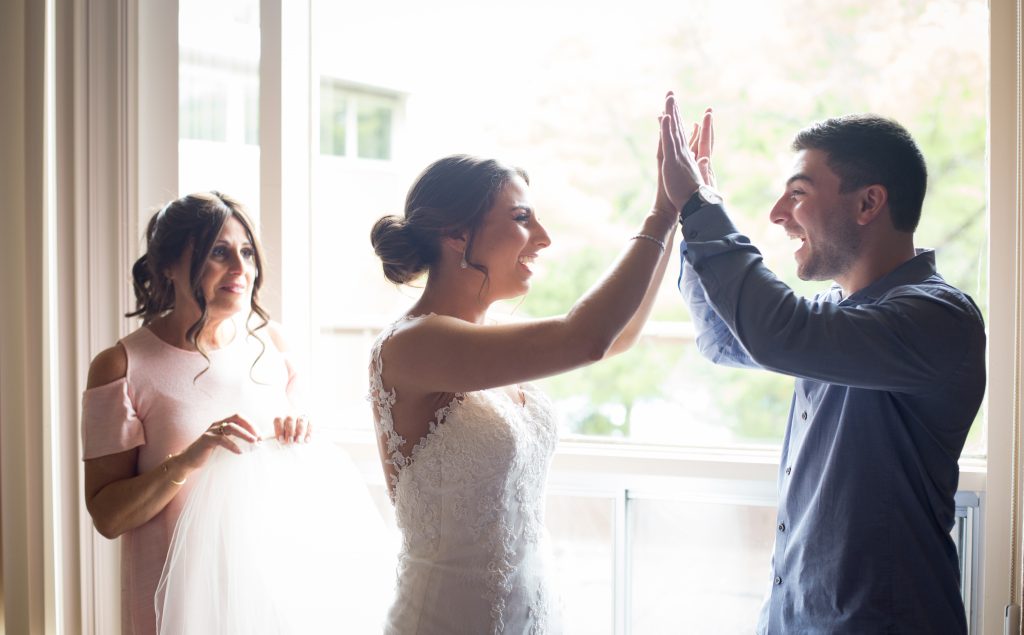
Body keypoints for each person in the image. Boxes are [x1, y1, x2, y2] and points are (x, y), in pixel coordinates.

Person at [659, 93, 986, 633]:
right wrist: (694, 211)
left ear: (868, 204)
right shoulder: (837, 316)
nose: (777, 215)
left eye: (798, 194)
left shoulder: (937, 319)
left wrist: (699, 207)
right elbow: (722, 338)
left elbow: (780, 333)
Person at [368, 147, 697, 633]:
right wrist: (659, 212)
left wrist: (673, 217)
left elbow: (616, 337)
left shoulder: (487, 341)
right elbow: (585, 337)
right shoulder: (414, 344)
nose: (543, 239)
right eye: (522, 218)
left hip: (532, 613)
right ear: (457, 233)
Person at [81, 191, 312, 634]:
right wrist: (189, 458)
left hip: (268, 592)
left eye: (246, 252)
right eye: (218, 253)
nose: (240, 268)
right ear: (168, 264)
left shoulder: (275, 347)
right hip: (176, 607)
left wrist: (298, 433)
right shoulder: (122, 367)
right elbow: (108, 517)